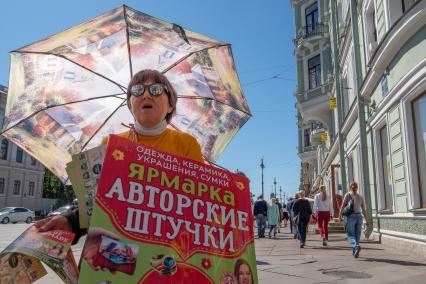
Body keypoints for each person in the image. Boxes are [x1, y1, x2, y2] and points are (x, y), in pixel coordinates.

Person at [35, 69, 205, 258]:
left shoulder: (186, 144)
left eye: (156, 89)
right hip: (117, 253)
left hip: (169, 254)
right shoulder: (110, 145)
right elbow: (97, 205)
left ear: (171, 105)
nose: (146, 94)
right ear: (131, 106)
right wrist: (70, 221)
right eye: (137, 90)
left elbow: (199, 207)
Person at [339, 181, 369, 258]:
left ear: (350, 187)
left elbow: (342, 206)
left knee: (351, 235)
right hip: (359, 217)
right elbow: (364, 210)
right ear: (357, 187)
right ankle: (355, 251)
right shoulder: (360, 197)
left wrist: (340, 216)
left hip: (350, 217)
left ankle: (356, 246)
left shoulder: (348, 195)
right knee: (357, 235)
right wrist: (366, 220)